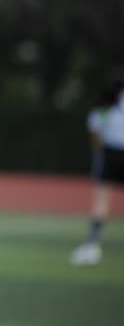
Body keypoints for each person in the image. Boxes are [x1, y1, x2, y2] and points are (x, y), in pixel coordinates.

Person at [70, 75, 124, 266]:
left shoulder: (103, 110)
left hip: (109, 154)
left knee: (101, 202)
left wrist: (98, 155)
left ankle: (92, 245)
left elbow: (96, 134)